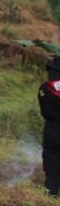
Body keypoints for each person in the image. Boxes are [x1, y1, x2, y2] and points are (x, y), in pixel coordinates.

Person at [37, 56, 60, 197]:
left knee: (52, 164)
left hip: (51, 130)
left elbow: (44, 110)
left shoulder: (44, 88)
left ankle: (51, 197)